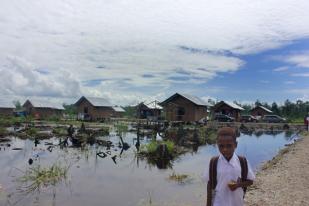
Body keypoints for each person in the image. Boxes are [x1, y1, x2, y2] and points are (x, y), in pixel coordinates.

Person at [203, 127, 255, 206]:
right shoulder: (214, 162)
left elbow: (250, 181)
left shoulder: (242, 161)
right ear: (217, 145)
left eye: (229, 146)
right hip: (219, 202)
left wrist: (238, 185)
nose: (225, 149)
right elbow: (209, 184)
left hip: (237, 202)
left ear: (236, 145)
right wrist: (208, 204)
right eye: (221, 146)